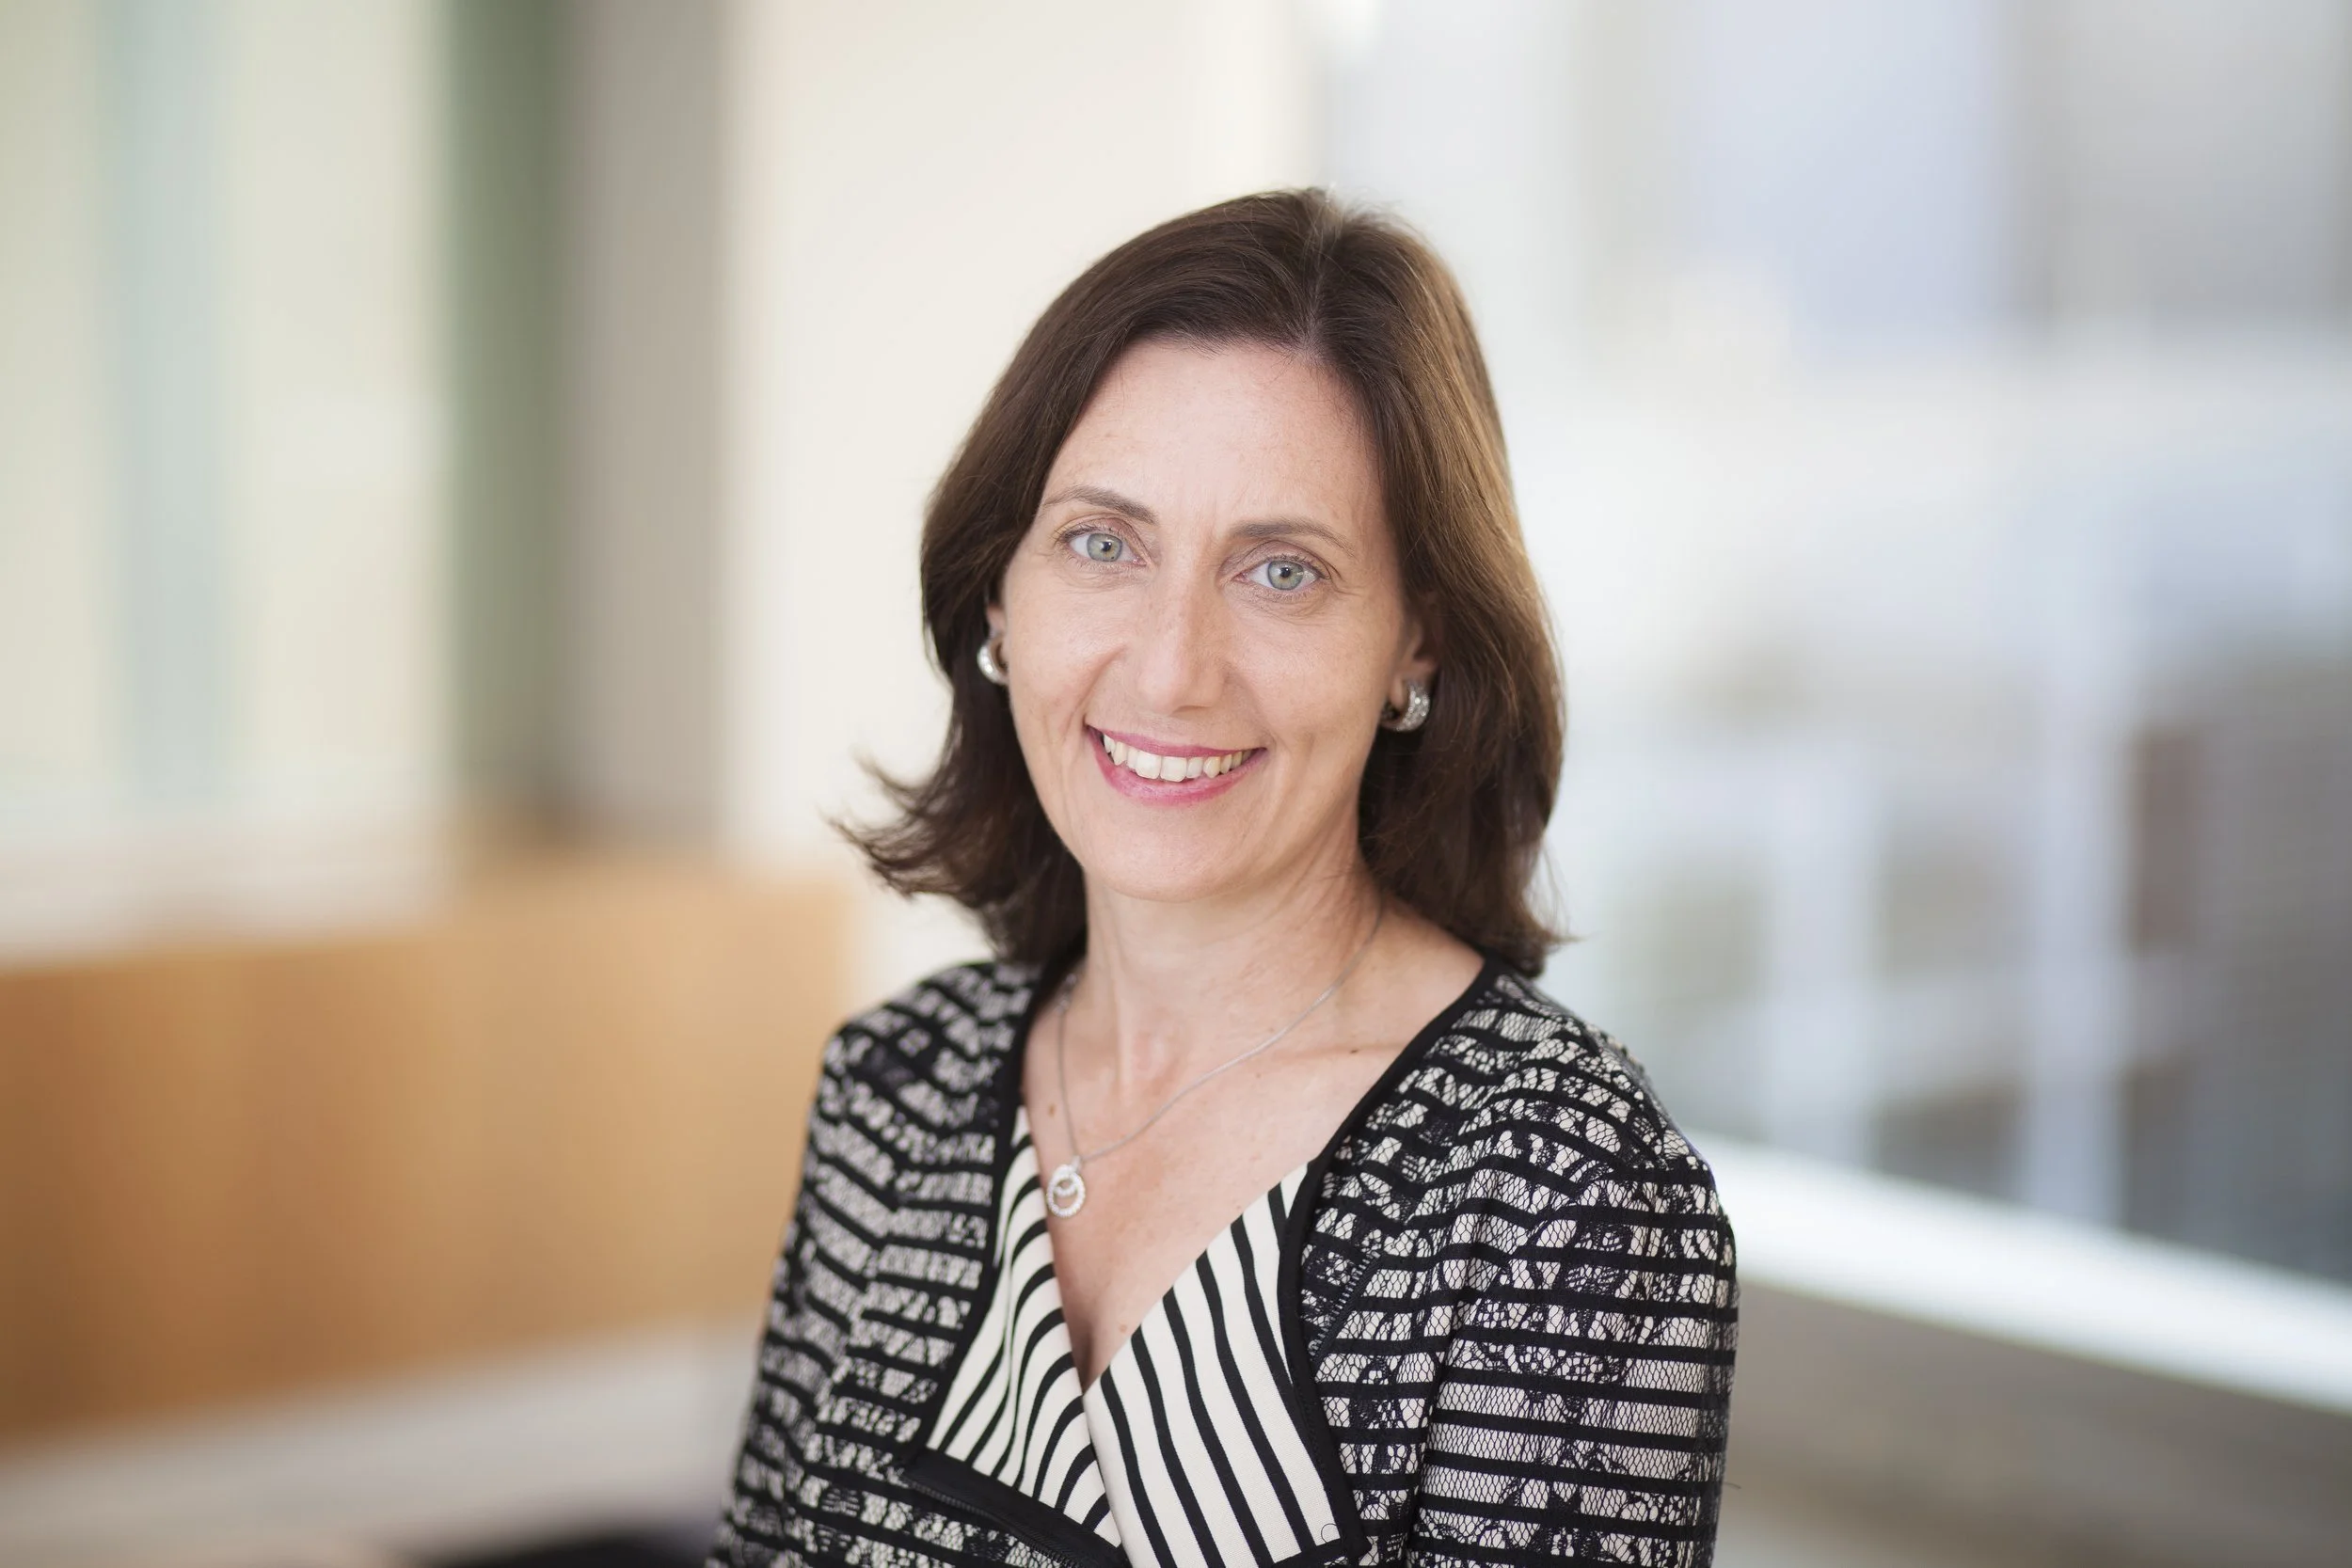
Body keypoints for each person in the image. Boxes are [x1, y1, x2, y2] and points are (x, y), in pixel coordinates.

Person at [708, 189, 1736, 1568]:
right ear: (997, 596)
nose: (1174, 665)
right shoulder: (894, 1091)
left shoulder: (1558, 1192)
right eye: (1101, 543)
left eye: (1281, 571)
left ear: (1416, 645)